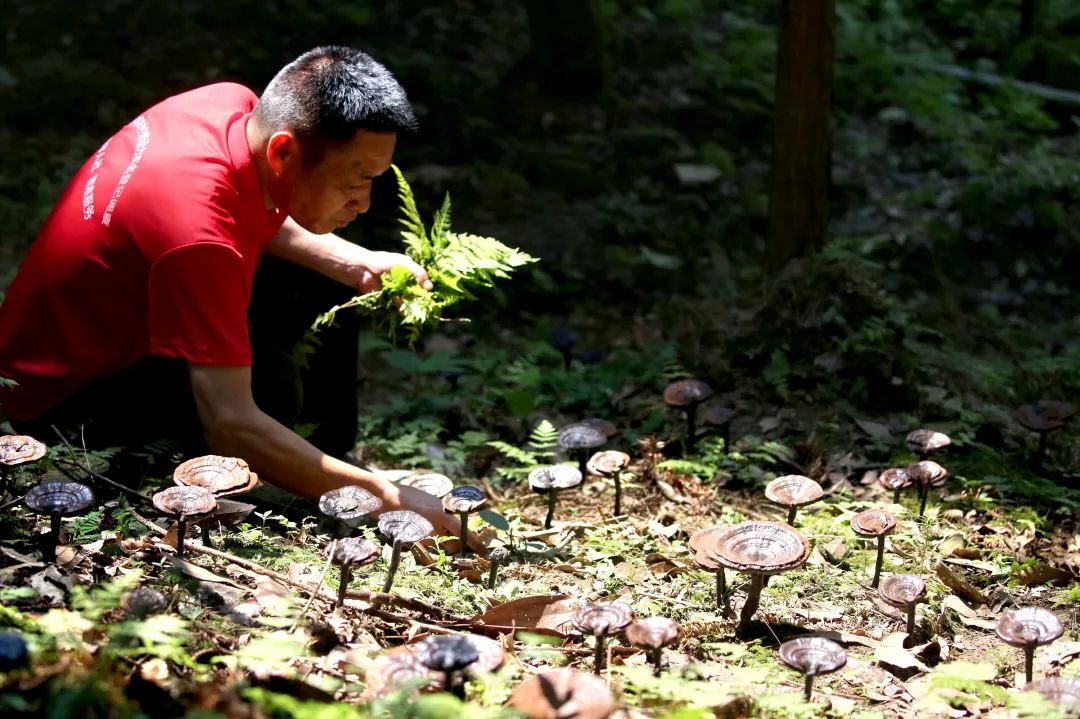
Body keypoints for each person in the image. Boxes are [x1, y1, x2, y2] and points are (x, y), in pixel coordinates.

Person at [0, 46, 472, 543]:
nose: (364, 201)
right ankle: (332, 489)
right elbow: (230, 424)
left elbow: (246, 211)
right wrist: (388, 497)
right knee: (270, 391)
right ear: (284, 152)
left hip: (110, 315)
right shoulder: (199, 240)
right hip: (63, 400)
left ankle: (328, 459)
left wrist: (358, 263)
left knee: (334, 282)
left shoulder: (229, 106)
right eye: (356, 181)